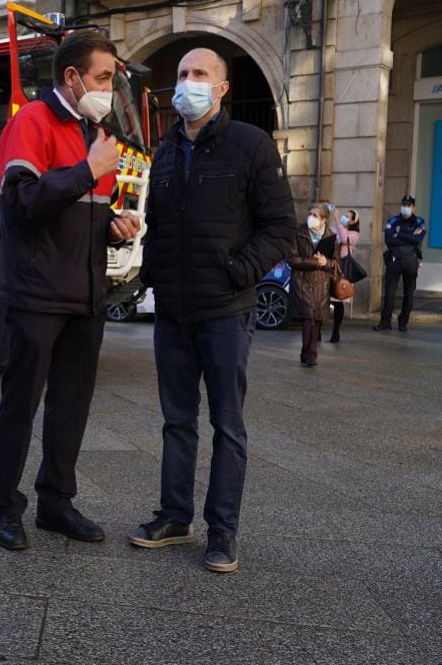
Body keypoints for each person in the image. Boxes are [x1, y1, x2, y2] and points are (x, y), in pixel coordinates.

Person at [127, 48, 295, 573]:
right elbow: (157, 221)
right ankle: (175, 517)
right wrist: (150, 272)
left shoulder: (251, 145)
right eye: (181, 75)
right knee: (177, 422)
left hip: (225, 310)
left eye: (200, 74)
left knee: (228, 425)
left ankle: (223, 531)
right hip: (173, 312)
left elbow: (280, 227)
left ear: (221, 88)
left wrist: (239, 271)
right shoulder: (167, 151)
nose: (187, 83)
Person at [0, 31, 141, 551]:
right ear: (71, 77)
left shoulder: (92, 131)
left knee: (71, 404)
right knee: (21, 403)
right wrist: (87, 171)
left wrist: (112, 223)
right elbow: (21, 202)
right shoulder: (31, 121)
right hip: (36, 293)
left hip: (85, 293)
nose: (109, 88)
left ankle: (56, 503)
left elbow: (77, 212)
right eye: (103, 77)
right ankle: (6, 508)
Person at [288, 203, 337, 366]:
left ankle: (306, 353)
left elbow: (337, 263)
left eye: (315, 215)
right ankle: (310, 355)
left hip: (321, 285)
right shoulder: (299, 232)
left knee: (316, 321)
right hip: (302, 282)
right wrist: (315, 262)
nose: (311, 218)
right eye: (310, 214)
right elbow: (292, 259)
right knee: (308, 318)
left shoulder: (330, 236)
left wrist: (326, 262)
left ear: (323, 220)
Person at [374, 195, 427, 332]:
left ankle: (403, 322)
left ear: (413, 207)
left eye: (408, 205)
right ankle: (385, 322)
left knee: (409, 293)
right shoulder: (393, 220)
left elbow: (417, 239)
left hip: (411, 260)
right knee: (389, 293)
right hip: (394, 260)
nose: (406, 207)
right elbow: (389, 240)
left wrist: (399, 235)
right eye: (404, 204)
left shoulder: (419, 221)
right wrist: (408, 237)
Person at [330, 209, 360, 342]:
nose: (343, 217)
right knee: (324, 299)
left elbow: (343, 239)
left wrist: (337, 220)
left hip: (342, 270)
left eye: (347, 217)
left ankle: (336, 332)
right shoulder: (335, 228)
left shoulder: (354, 234)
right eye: (343, 215)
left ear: (353, 221)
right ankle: (317, 331)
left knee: (338, 300)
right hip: (330, 266)